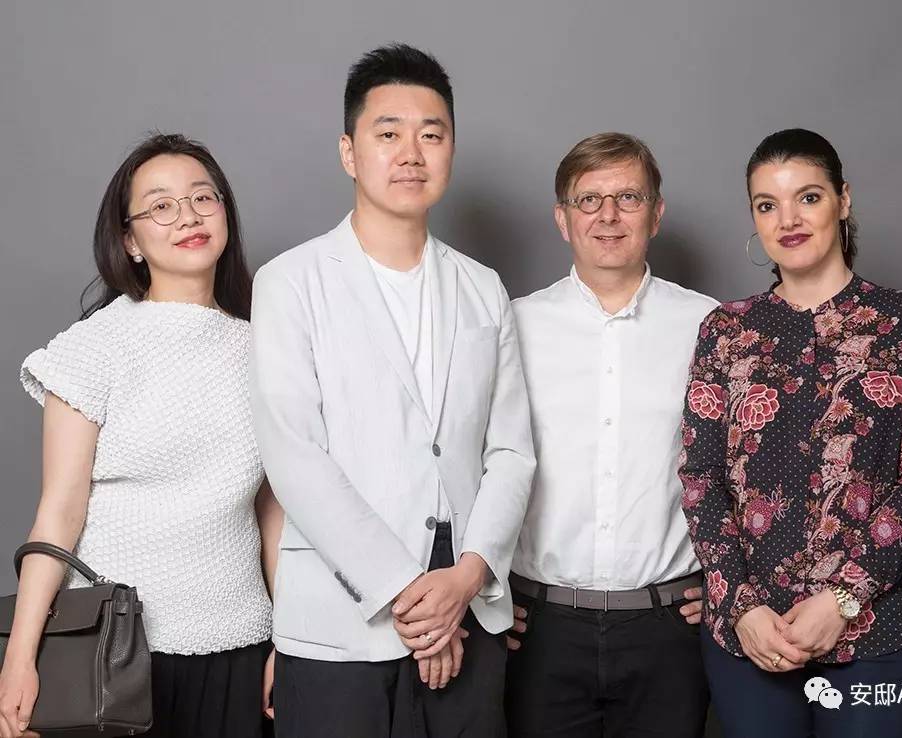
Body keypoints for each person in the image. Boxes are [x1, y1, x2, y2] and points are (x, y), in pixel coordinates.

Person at [249, 43, 535, 738]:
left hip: (468, 613)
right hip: (341, 624)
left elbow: (511, 453)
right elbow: (295, 456)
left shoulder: (482, 287)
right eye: (388, 134)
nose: (411, 153)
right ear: (349, 152)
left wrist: (466, 579)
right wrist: (411, 596)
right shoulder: (290, 282)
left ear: (451, 150)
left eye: (431, 135)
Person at [0, 133, 282, 738]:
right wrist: (19, 656)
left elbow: (272, 510)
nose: (187, 217)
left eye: (202, 198)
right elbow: (59, 512)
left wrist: (290, 638)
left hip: (240, 645)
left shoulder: (265, 349)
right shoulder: (92, 348)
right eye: (160, 206)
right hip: (112, 649)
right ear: (129, 240)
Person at [680, 128, 902, 738]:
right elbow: (700, 480)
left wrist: (844, 600)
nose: (788, 220)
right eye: (767, 204)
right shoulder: (726, 332)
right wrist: (741, 606)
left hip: (883, 632)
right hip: (754, 638)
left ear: (843, 199)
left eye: (807, 197)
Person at [505, 132, 715, 737]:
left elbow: (744, 470)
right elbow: (477, 462)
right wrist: (486, 590)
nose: (608, 215)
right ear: (562, 218)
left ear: (656, 213)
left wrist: (731, 585)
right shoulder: (513, 324)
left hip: (670, 629)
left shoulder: (710, 325)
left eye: (628, 197)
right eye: (588, 199)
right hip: (540, 629)